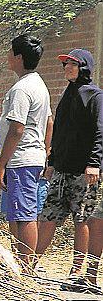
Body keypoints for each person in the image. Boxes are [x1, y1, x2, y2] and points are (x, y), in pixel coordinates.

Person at [35, 49, 103, 288]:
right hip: (62, 170)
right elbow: (59, 132)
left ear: (83, 67)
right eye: (65, 65)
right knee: (48, 216)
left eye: (72, 64)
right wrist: (52, 162)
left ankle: (77, 270)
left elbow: (99, 132)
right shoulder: (68, 94)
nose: (67, 68)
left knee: (82, 218)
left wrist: (94, 163)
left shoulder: (94, 96)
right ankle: (30, 264)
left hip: (84, 172)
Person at [0, 34, 53, 270]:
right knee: (16, 212)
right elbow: (49, 122)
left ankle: (26, 268)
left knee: (24, 214)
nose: (8, 56)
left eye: (10, 52)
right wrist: (45, 150)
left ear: (18, 57)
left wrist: (1, 163)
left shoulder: (22, 89)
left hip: (20, 160)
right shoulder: (38, 84)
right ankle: (19, 264)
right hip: (29, 158)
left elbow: (17, 129)